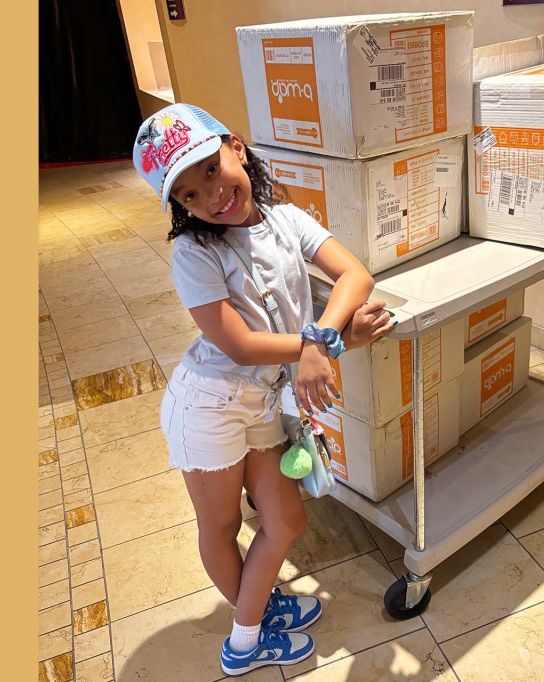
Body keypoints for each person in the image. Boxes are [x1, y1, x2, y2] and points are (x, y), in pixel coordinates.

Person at [132, 103, 393, 676]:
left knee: (287, 522)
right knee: (221, 527)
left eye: (207, 169)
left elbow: (356, 275)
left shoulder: (286, 220)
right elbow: (242, 345)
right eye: (188, 196)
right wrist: (328, 342)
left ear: (236, 147)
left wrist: (324, 339)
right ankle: (244, 643)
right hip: (207, 405)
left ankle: (258, 603)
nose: (210, 197)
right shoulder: (194, 252)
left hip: (258, 401)